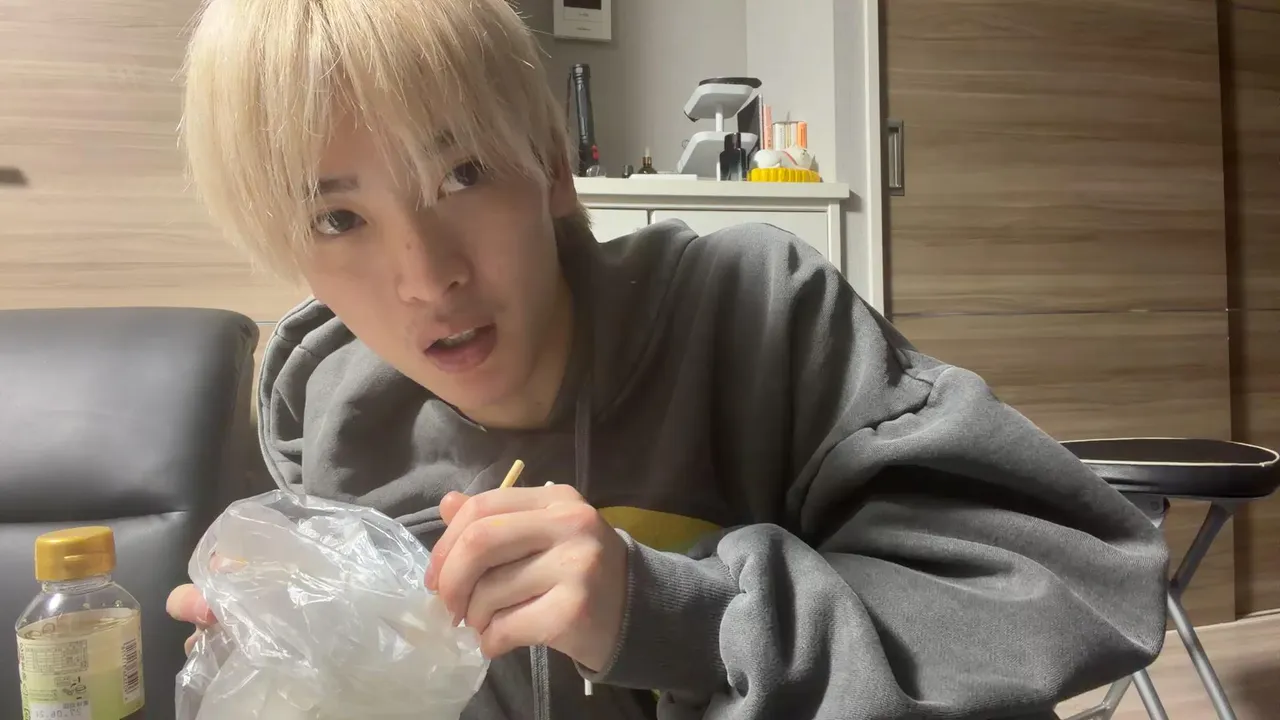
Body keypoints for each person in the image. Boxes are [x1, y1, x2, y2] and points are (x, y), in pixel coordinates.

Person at [166, 0, 1169, 717]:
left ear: (551, 165)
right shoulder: (331, 414)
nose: (427, 278)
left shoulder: (755, 314)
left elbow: (1063, 590)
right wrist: (298, 663)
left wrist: (670, 615)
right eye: (338, 219)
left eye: (461, 172)